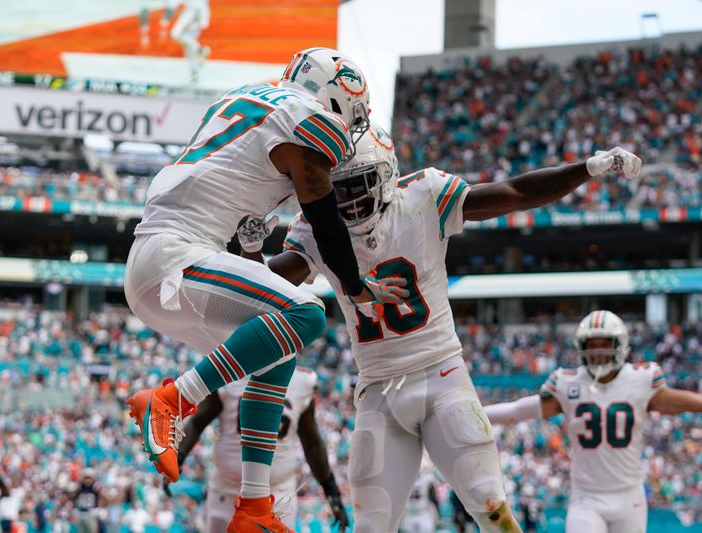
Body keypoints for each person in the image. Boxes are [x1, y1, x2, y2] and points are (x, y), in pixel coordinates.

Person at [236, 123, 642, 532]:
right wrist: (250, 247)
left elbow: (516, 193)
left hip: (441, 373)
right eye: (337, 190)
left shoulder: (423, 196)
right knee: (371, 524)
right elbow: (265, 289)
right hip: (377, 389)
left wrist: (585, 169)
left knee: (491, 507)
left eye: (358, 185)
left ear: (386, 175)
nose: (349, 200)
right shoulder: (315, 228)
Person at [124, 47, 392, 533]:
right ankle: (171, 399)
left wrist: (252, 238)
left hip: (161, 258)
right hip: (175, 256)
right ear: (334, 98)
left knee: (279, 351)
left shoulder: (245, 98)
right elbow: (324, 220)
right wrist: (356, 288)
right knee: (307, 315)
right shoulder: (307, 117)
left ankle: (253, 507)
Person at [483, 310, 702, 533]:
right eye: (592, 345)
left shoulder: (641, 379)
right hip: (587, 497)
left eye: (604, 344)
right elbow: (518, 410)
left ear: (620, 344)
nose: (598, 353)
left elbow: (676, 401)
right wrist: (478, 414)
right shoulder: (567, 383)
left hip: (630, 496)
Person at [177, 367, 349, 532]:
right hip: (226, 489)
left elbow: (311, 442)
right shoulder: (229, 370)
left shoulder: (302, 380)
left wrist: (330, 488)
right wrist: (179, 456)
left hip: (276, 493)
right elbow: (198, 422)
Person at [400, 468, 439, 533]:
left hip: (423, 513)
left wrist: (436, 511)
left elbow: (433, 497)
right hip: (409, 514)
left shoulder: (427, 479)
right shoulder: (403, 480)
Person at [73, 469, 102, 533]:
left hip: (91, 513)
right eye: (86, 478)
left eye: (89, 478)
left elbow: (102, 498)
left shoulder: (95, 487)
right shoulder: (79, 487)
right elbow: (74, 498)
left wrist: (98, 509)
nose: (87, 480)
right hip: (81, 513)